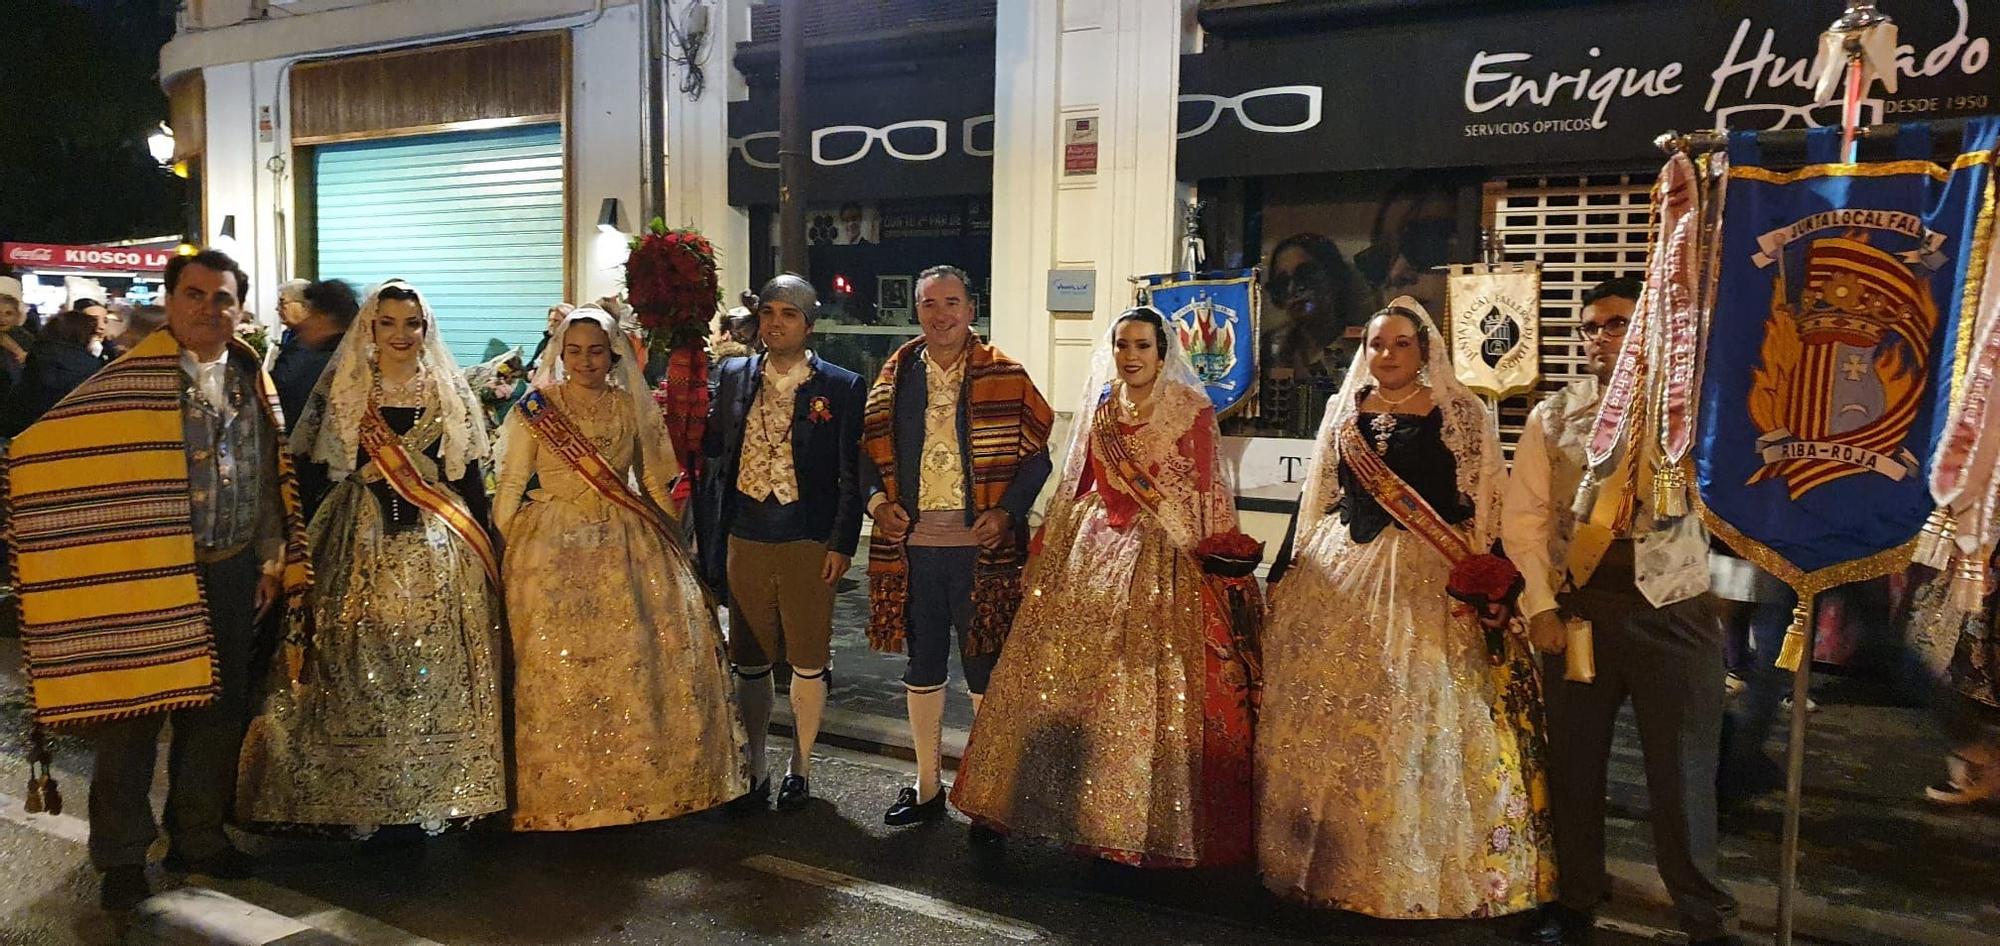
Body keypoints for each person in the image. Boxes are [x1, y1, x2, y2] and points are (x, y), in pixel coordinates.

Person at [4, 249, 310, 911]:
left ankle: (197, 835)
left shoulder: (253, 375)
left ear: (240, 307)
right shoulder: (129, 381)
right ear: (171, 304)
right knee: (134, 715)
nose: (208, 309)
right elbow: (62, 453)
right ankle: (120, 855)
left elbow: (265, 472)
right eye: (195, 295)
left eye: (222, 298)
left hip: (228, 565)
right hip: (146, 568)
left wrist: (267, 554)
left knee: (217, 711)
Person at [1256, 297, 1552, 918]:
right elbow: (1319, 494)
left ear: (1425, 352)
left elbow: (1484, 500)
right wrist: (1286, 568)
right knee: (1328, 712)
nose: (1386, 356)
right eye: (1376, 345)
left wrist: (1496, 579)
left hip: (1424, 572)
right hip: (1341, 570)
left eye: (1400, 345)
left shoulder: (1460, 412)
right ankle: (1325, 858)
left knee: (1410, 713)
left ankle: (1407, 871)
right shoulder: (1344, 410)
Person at [951, 306, 1258, 866]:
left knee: (1136, 680)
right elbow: (1078, 480)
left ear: (1162, 354)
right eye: (1122, 345)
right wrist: (1046, 547)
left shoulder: (1191, 409)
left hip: (1161, 553)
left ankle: (1127, 817)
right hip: (1091, 548)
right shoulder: (1101, 406)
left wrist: (1215, 558)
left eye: (1142, 345)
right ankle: (1026, 802)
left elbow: (1208, 490)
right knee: (1058, 677)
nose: (1131, 355)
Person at [1504, 278, 1740, 946]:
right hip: (1580, 616)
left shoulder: (1692, 412)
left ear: (1650, 329)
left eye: (1617, 323)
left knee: (1683, 776)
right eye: (1591, 327)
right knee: (1574, 769)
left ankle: (1706, 917)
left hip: (1674, 610)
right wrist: (1541, 606)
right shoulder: (1555, 415)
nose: (1602, 338)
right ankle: (1576, 898)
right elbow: (1523, 521)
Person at [236, 280, 506, 836]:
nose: (401, 335)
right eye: (388, 323)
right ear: (371, 327)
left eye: (412, 324)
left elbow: (467, 476)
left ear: (426, 329)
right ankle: (355, 792)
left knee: (433, 656)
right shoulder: (349, 386)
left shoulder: (446, 390)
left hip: (438, 538)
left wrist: (492, 545)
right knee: (351, 650)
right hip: (354, 532)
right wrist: (290, 548)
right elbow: (312, 472)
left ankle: (436, 786)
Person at [494, 306, 747, 830]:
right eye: (575, 351)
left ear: (613, 354)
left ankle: (631, 782)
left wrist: (673, 541)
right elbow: (512, 485)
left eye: (596, 351)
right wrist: (510, 549)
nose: (586, 361)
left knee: (631, 663)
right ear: (560, 354)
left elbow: (655, 480)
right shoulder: (536, 409)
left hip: (624, 540)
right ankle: (556, 787)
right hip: (550, 546)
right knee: (554, 669)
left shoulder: (631, 405)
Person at [862, 264, 1054, 826]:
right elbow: (866, 454)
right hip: (913, 551)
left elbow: (1036, 455)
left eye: (951, 303)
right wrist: (877, 506)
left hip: (980, 552)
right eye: (928, 304)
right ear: (916, 311)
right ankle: (926, 787)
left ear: (972, 309)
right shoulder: (893, 377)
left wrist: (1007, 510)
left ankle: (987, 795)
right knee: (921, 667)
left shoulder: (1007, 375)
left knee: (983, 674)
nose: (940, 314)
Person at [696, 275, 865, 812]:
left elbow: (849, 473)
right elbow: (715, 459)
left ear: (809, 325)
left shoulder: (840, 386)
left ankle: (802, 764)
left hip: (806, 537)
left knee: (808, 658)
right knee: (748, 658)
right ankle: (757, 767)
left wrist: (841, 542)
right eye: (768, 312)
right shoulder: (733, 373)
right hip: (745, 534)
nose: (775, 323)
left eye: (788, 314)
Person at [269, 278, 359, 435]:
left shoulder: (311, 360)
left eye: (311, 312)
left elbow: (280, 392)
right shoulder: (357, 353)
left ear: (324, 317)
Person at [1, 308, 108, 436]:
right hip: (64, 430)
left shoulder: (37, 353)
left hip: (22, 426)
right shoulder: (89, 365)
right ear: (83, 335)